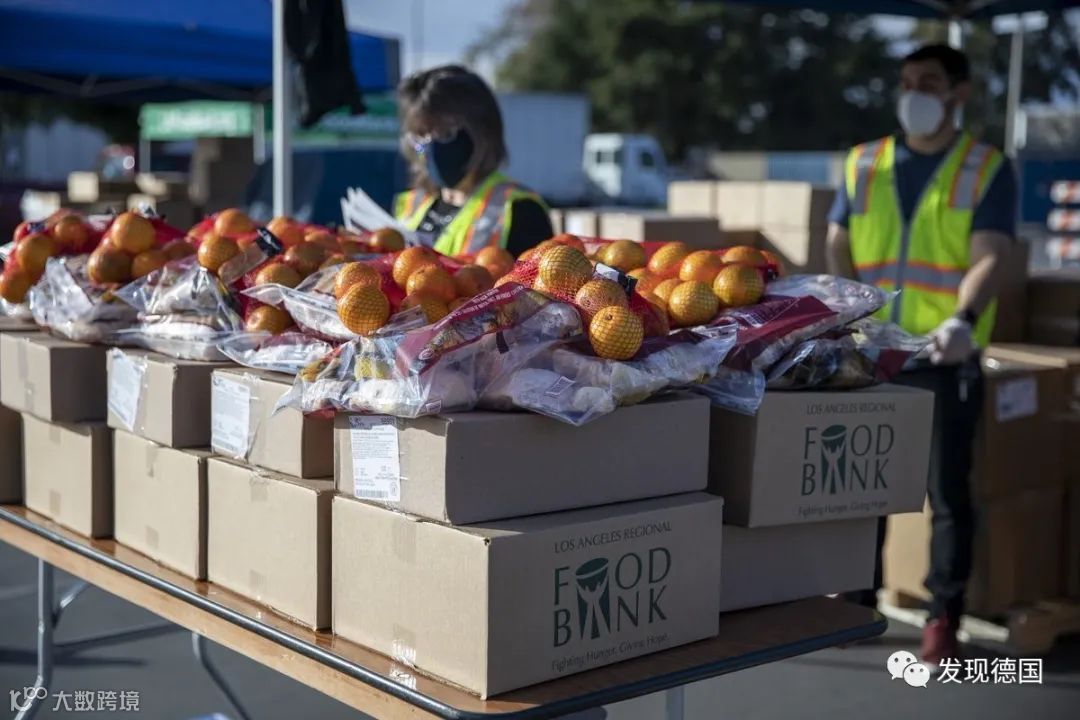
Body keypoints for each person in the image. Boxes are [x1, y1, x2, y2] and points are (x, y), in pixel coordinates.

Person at [826, 44, 1016, 664]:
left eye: (929, 82)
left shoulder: (985, 167)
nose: (914, 93)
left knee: (947, 495)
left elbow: (991, 254)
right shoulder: (864, 162)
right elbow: (838, 241)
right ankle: (857, 602)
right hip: (874, 355)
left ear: (959, 93)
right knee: (862, 487)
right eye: (907, 81)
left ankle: (943, 617)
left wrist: (963, 320)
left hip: (943, 354)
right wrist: (850, 312)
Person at [394, 65, 553, 257]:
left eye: (445, 132)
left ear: (481, 132)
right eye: (421, 135)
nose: (432, 145)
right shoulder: (412, 204)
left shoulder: (520, 211)